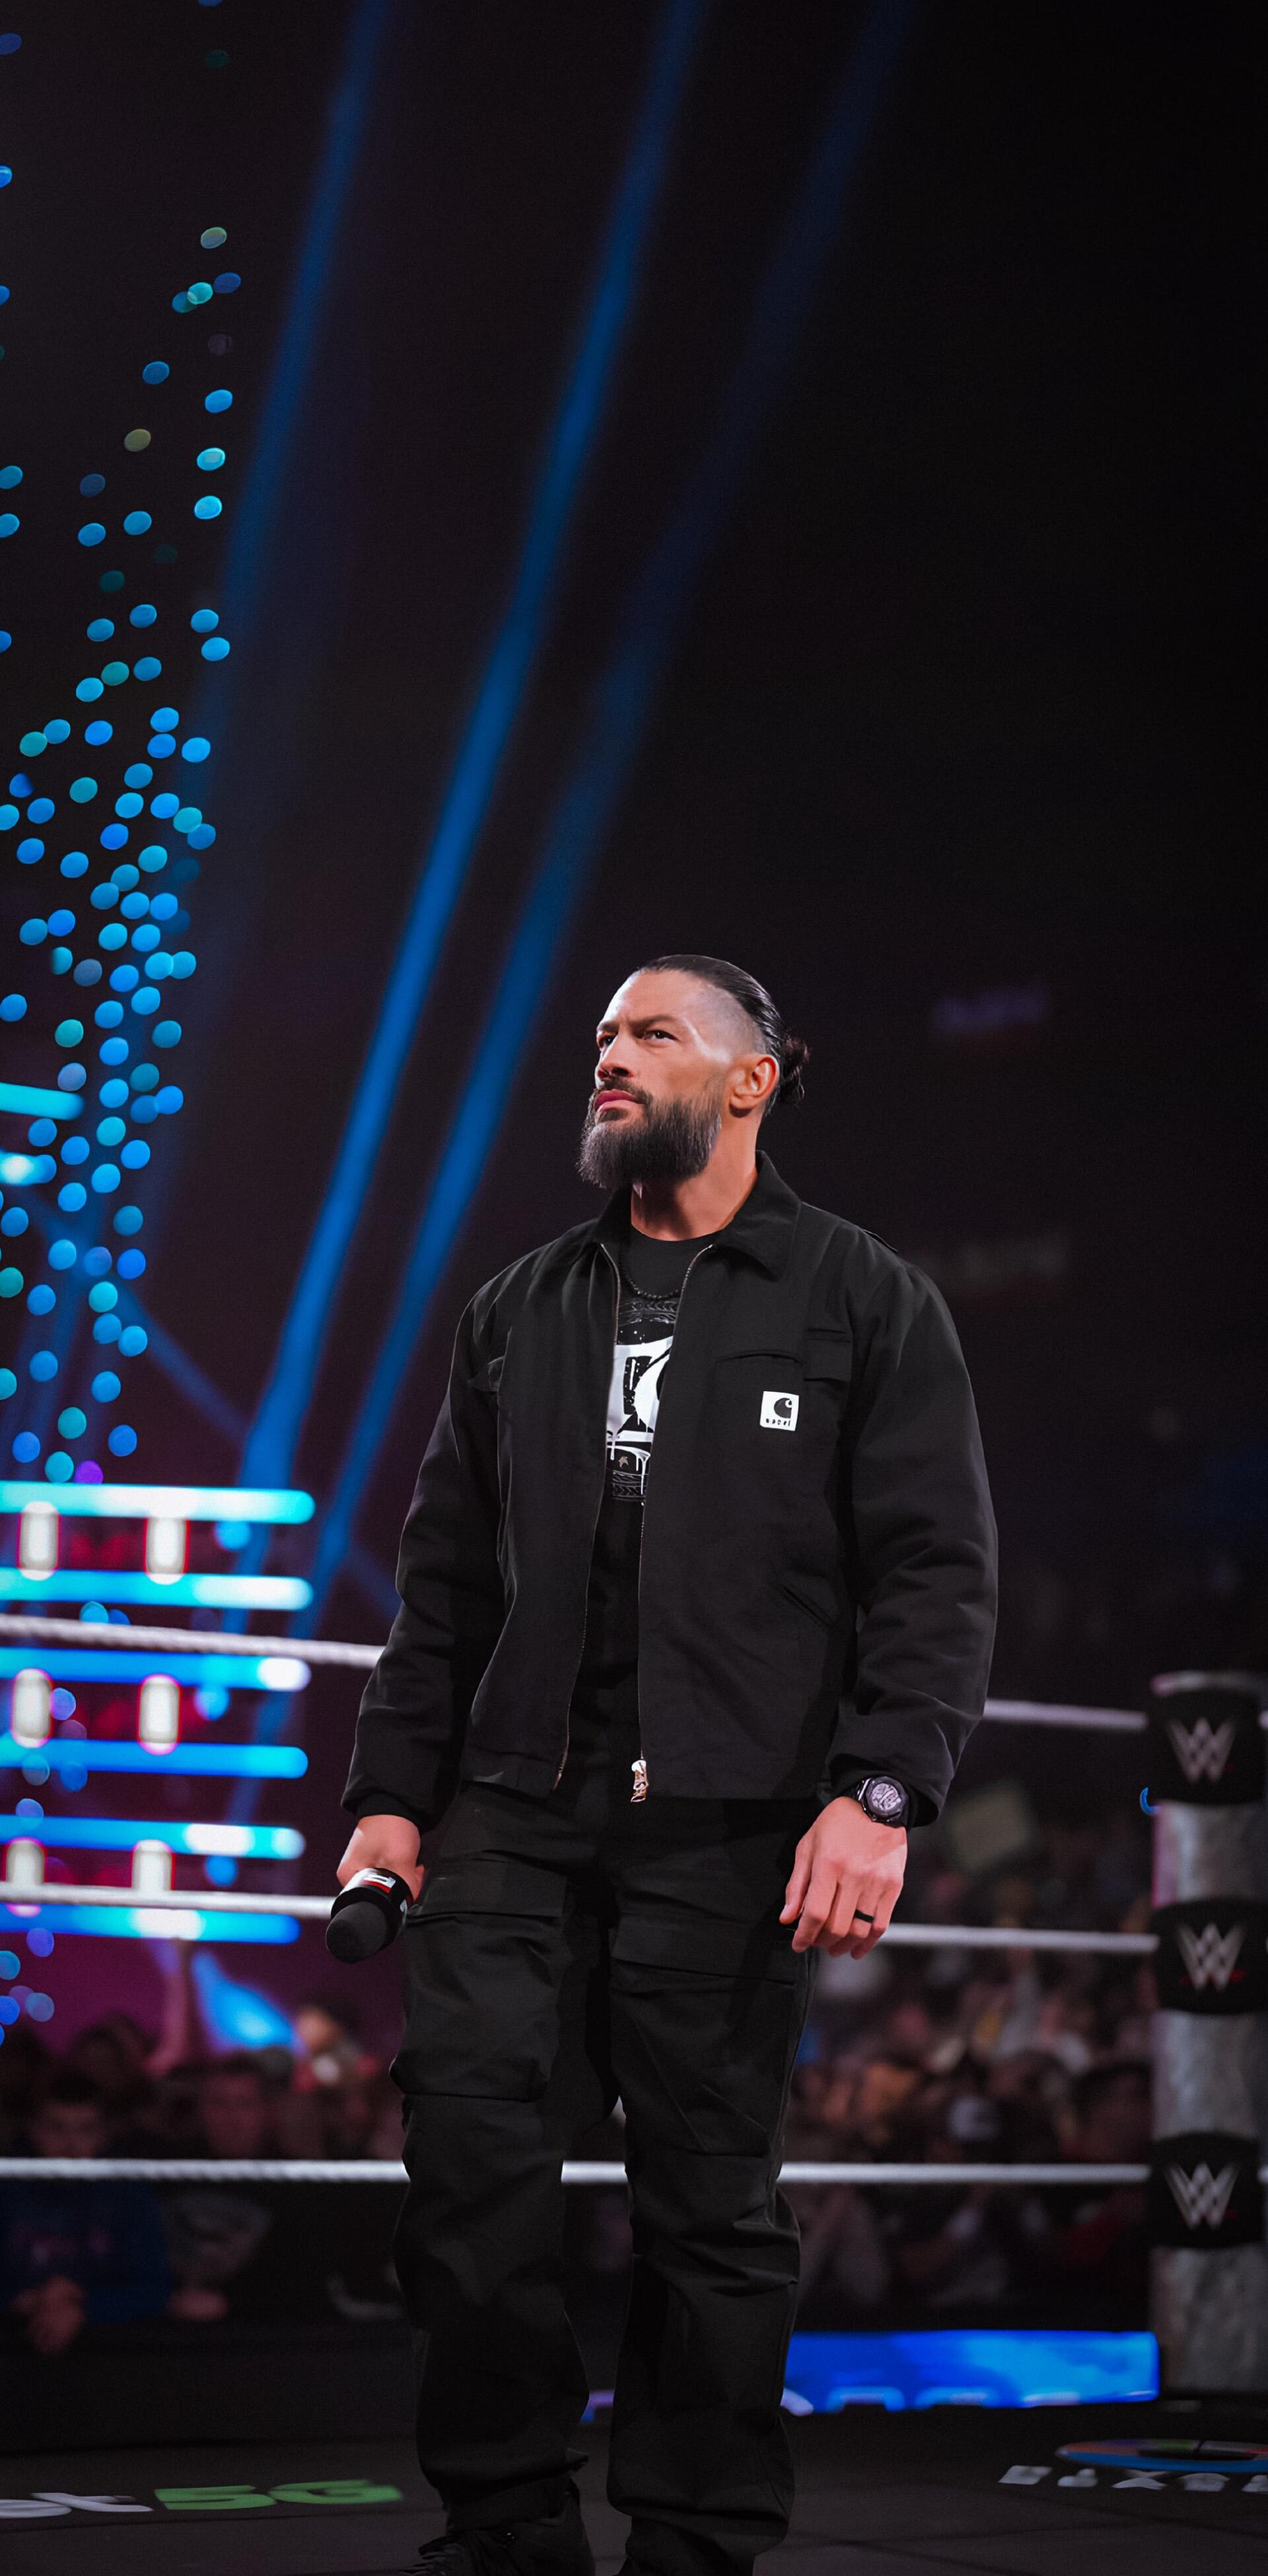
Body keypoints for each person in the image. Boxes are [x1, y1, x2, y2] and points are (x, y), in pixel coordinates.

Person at [339, 954, 997, 2576]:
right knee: (470, 2161)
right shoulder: (520, 1307)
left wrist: (883, 1789)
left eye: (649, 1036)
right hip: (514, 1800)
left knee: (709, 2203)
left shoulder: (861, 1297)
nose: (609, 1062)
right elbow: (443, 1583)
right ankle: (503, 2524)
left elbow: (934, 1567)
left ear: (753, 1076)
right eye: (601, 1041)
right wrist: (388, 1799)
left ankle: (696, 2540)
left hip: (735, 1812)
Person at [0, 2067, 169, 2354]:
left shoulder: (128, 2190)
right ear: (34, 2129)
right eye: (57, 2127)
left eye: (85, 2129)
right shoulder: (7, 2185)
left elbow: (156, 2291)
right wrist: (25, 2300)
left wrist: (83, 2307)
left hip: (110, 2361)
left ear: (104, 2134)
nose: (70, 2144)